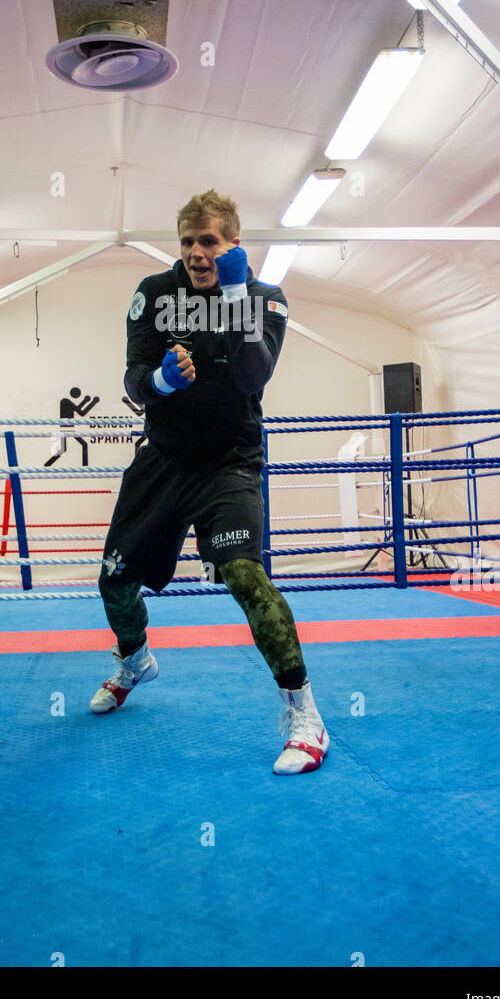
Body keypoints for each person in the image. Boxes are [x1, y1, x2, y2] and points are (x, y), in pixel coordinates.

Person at [89, 189, 329, 774]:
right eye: (189, 241)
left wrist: (237, 296)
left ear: (233, 245)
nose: (197, 252)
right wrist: (162, 383)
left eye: (210, 242)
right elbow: (134, 378)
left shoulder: (265, 298)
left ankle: (304, 713)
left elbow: (253, 378)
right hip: (163, 458)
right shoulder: (153, 294)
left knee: (246, 576)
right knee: (114, 582)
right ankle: (134, 659)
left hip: (229, 460)